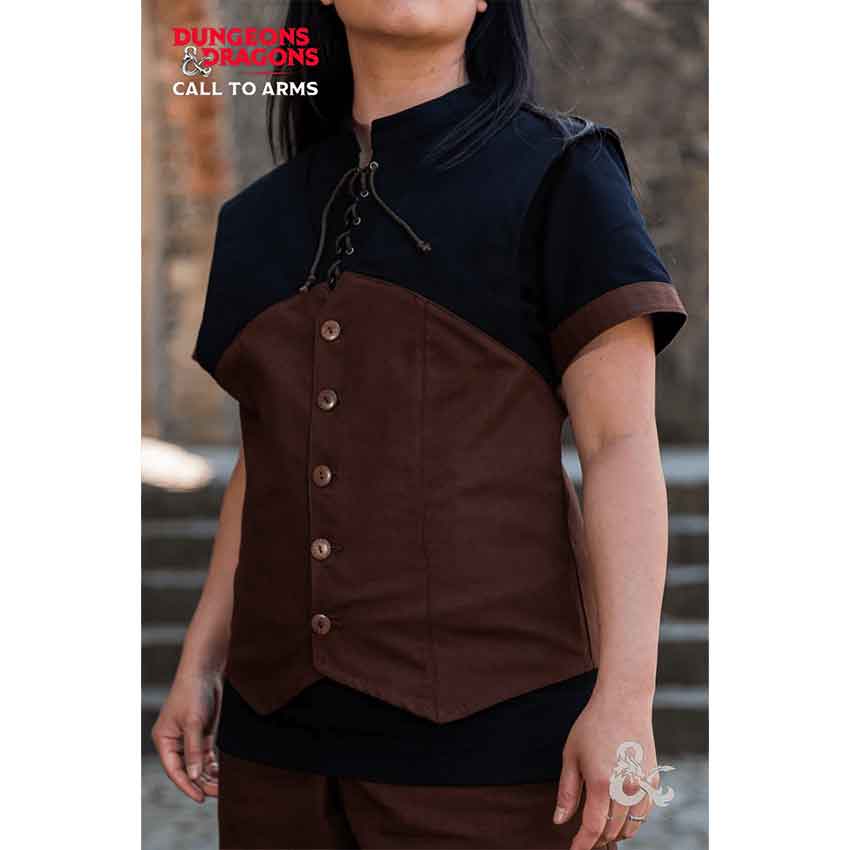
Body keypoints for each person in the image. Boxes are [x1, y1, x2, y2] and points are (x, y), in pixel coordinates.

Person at [152, 1, 688, 848]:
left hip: (493, 754)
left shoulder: (562, 175)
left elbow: (619, 444)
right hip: (277, 760)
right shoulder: (256, 220)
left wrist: (624, 699)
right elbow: (267, 458)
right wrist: (201, 657)